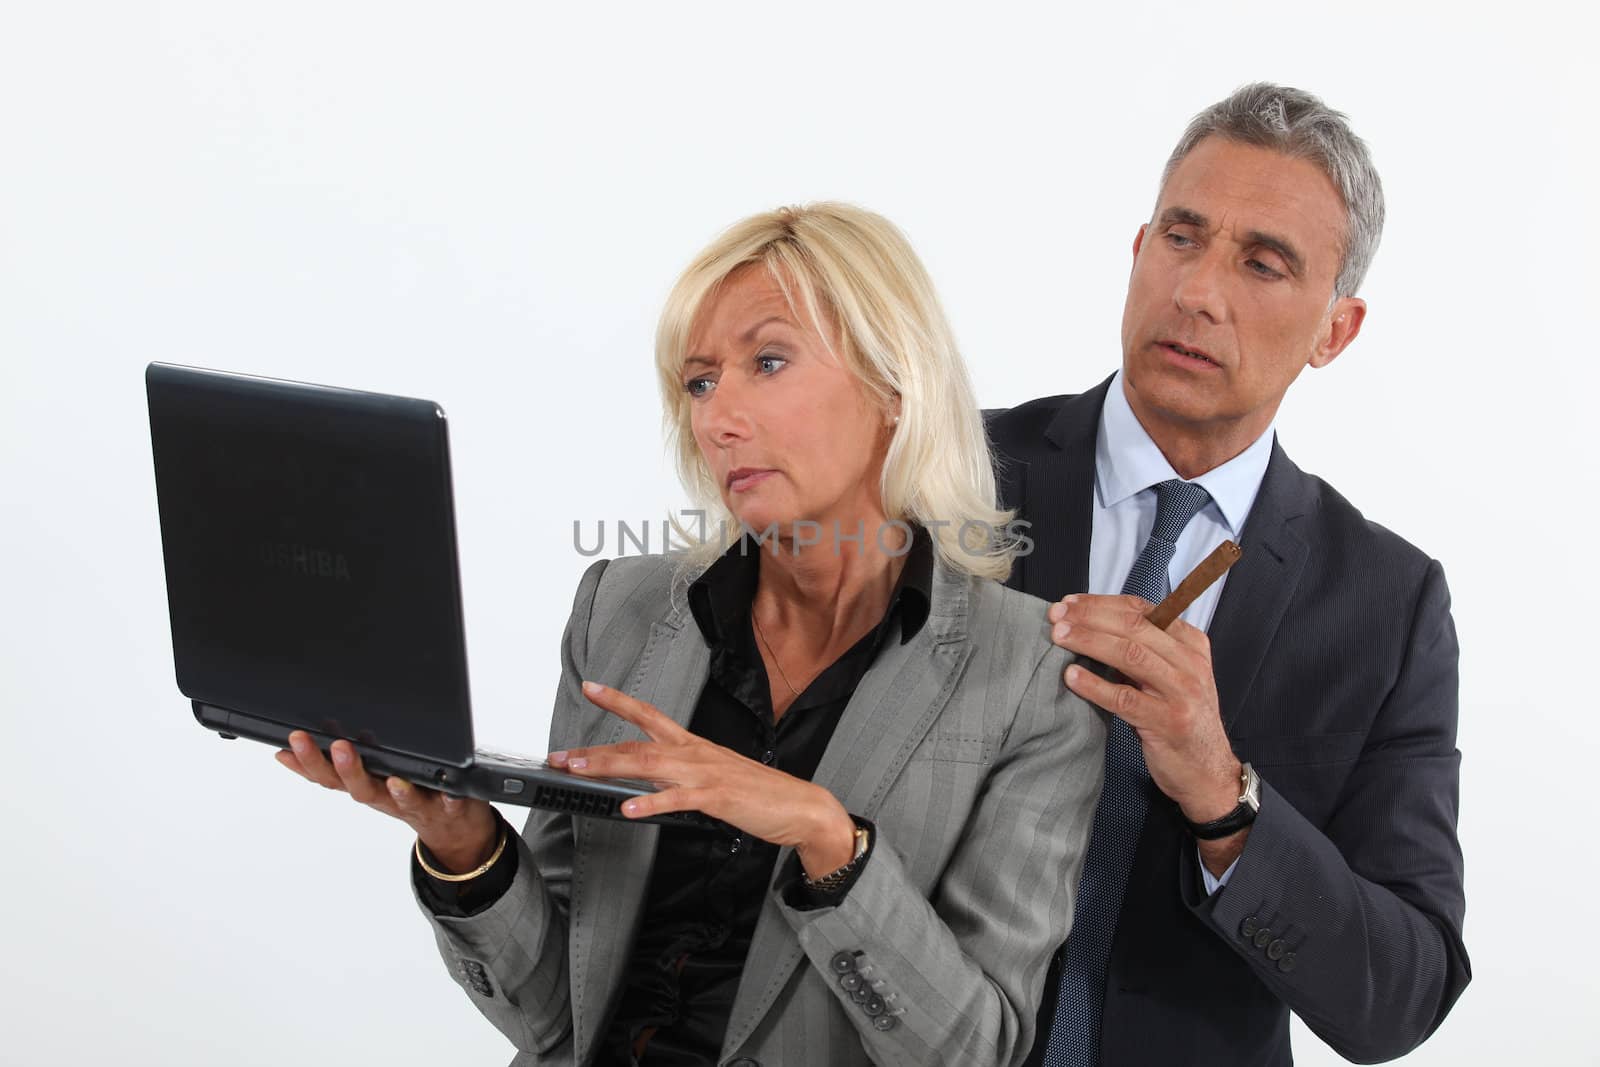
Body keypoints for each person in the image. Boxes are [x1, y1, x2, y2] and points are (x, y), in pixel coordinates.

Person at [277, 202, 1107, 1066]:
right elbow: (556, 1018)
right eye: (701, 381)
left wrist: (829, 839)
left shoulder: (1030, 681)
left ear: (894, 382)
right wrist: (467, 848)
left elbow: (977, 1050)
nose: (718, 417)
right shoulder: (621, 611)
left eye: (769, 361)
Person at [990, 83, 1470, 1066]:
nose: (1198, 290)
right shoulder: (943, 474)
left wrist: (1223, 796)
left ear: (1336, 330)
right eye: (1181, 236)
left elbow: (1399, 993)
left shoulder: (1388, 604)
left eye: (1261, 263)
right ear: (1136, 249)